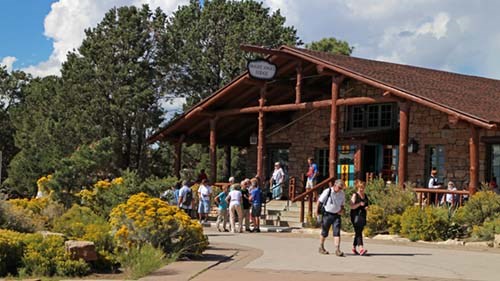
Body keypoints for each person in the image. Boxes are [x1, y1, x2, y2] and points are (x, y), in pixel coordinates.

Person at [316, 179, 345, 256]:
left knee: (337, 232)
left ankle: (337, 249)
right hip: (327, 214)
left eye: (341, 188)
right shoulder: (328, 191)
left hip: (336, 215)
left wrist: (341, 210)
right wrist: (317, 212)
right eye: (339, 187)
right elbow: (319, 201)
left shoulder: (342, 194)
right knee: (325, 232)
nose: (340, 189)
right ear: (335, 186)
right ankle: (321, 246)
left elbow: (342, 204)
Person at [350, 181, 369, 256]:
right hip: (355, 215)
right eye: (360, 188)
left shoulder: (365, 195)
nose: (361, 189)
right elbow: (351, 206)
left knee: (359, 231)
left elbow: (367, 204)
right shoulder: (355, 195)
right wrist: (359, 204)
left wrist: (366, 207)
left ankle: (354, 247)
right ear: (357, 187)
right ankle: (361, 248)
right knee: (358, 231)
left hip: (362, 215)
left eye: (363, 188)